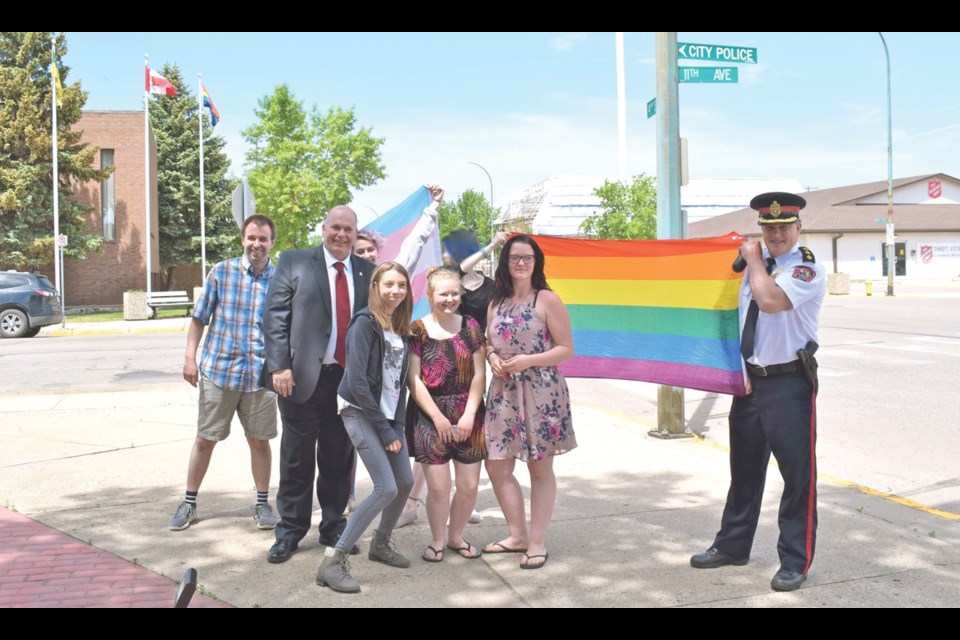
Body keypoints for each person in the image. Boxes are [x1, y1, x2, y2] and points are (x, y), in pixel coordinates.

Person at [690, 192, 826, 592]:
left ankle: (794, 562)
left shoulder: (804, 271)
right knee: (744, 470)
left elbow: (769, 303)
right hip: (750, 381)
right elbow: (735, 322)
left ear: (799, 228)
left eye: (784, 227)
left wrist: (751, 262)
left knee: (797, 476)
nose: (776, 234)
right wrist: (737, 368)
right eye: (769, 228)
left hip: (788, 383)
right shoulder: (757, 267)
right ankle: (733, 545)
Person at [261, 205, 372, 564]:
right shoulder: (294, 261)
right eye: (335, 227)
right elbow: (274, 316)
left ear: (356, 234)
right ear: (323, 228)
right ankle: (290, 531)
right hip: (298, 379)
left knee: (339, 458)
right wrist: (279, 365)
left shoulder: (367, 272)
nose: (341, 234)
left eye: (348, 229)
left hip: (346, 382)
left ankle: (333, 527)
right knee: (296, 459)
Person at [169, 214, 279, 532]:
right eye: (251, 238)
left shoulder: (280, 278)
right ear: (243, 239)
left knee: (259, 441)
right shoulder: (222, 271)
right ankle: (188, 502)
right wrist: (190, 358)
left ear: (272, 242)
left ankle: (262, 503)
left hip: (260, 375)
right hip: (220, 370)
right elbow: (199, 317)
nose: (256, 244)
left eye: (263, 239)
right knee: (205, 440)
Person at [316, 261, 414, 593]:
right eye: (389, 284)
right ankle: (333, 561)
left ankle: (381, 543)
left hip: (387, 416)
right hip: (359, 411)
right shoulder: (364, 324)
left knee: (404, 481)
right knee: (384, 487)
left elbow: (399, 385)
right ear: (375, 287)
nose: (395, 291)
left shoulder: (399, 328)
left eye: (401, 285)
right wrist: (386, 432)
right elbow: (357, 383)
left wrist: (396, 424)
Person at [396, 227, 505, 527]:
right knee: (433, 462)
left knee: (461, 468)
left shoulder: (492, 287)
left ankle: (457, 511)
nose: (451, 296)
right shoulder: (450, 274)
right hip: (437, 367)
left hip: (469, 358)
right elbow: (460, 271)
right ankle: (411, 504)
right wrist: (494, 244)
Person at [481, 234, 576, 570]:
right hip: (503, 392)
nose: (521, 263)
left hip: (541, 392)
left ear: (537, 263)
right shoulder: (496, 302)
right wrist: (491, 355)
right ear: (505, 263)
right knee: (496, 464)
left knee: (540, 467)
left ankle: (536, 541)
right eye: (514, 257)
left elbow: (565, 348)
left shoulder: (547, 299)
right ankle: (516, 534)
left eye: (528, 257)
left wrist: (528, 360)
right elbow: (488, 341)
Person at [351, 185, 444, 517]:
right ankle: (346, 503)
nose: (364, 255)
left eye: (369, 250)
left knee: (394, 479)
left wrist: (431, 209)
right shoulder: (345, 284)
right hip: (353, 386)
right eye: (357, 250)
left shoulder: (389, 280)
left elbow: (413, 246)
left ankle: (390, 527)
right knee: (348, 450)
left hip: (387, 390)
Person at [406, 267, 487, 562]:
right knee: (439, 487)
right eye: (443, 293)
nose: (449, 298)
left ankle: (456, 536)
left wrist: (468, 415)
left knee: (468, 486)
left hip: (469, 413)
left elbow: (480, 375)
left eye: (454, 293)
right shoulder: (418, 329)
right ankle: (438, 539)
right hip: (430, 414)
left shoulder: (471, 326)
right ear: (430, 295)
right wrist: (438, 418)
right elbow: (413, 379)